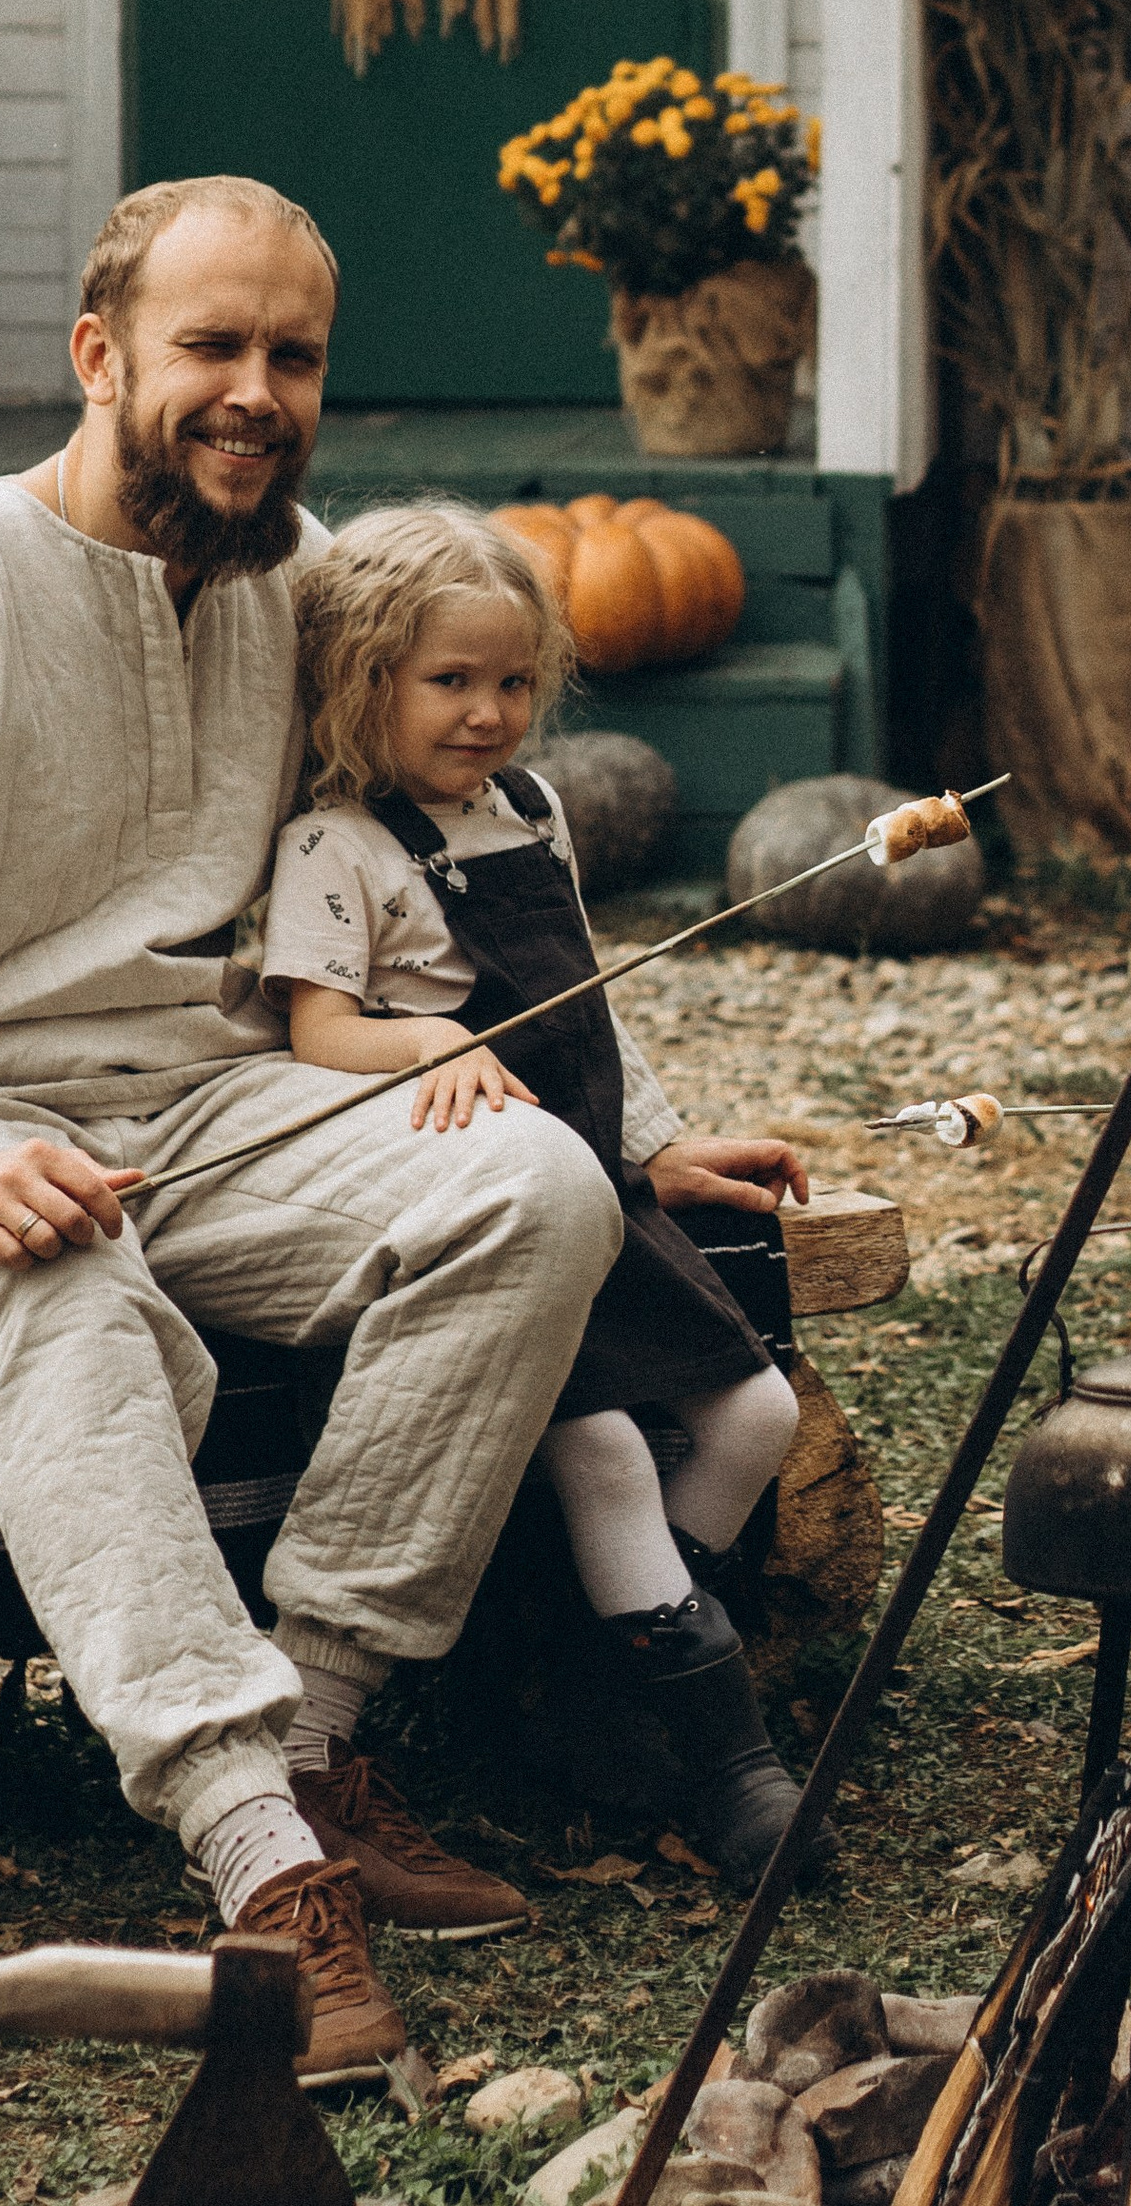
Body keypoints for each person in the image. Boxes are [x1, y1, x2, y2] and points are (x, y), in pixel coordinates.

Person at [0, 179, 626, 2087]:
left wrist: (650, 1124)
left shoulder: (303, 599)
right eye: (212, 346)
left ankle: (320, 1734)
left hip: (197, 1108)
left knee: (532, 1185)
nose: (257, 392)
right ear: (100, 356)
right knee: (59, 1297)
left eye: (294, 355)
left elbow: (443, 880)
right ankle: (260, 1856)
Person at [270, 502, 814, 1883]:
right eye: (448, 682)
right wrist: (424, 1039)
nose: (488, 713)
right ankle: (726, 1761)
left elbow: (583, 1007)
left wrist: (660, 1149)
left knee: (759, 1410)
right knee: (607, 1452)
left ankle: (595, 1671)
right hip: (491, 1209)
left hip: (592, 1170)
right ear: (362, 681)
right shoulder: (342, 846)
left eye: (513, 682)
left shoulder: (532, 809)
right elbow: (316, 1031)